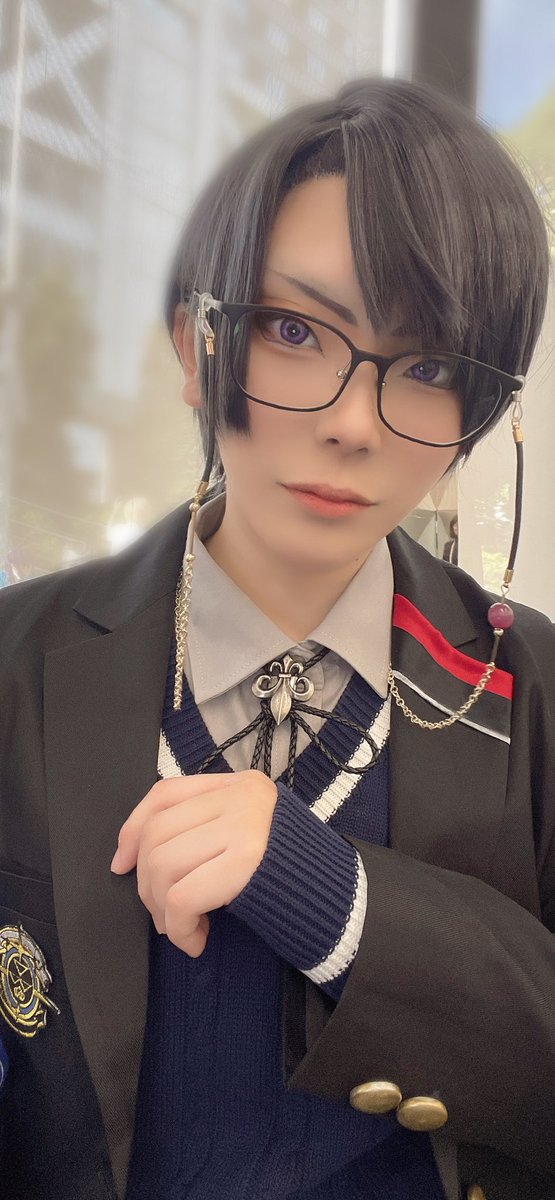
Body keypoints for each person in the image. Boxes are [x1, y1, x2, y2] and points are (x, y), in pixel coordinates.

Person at [0, 76, 554, 1200]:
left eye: (430, 366)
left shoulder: (534, 685)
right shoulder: (17, 662)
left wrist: (336, 897)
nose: (351, 422)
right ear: (198, 346)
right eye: (296, 331)